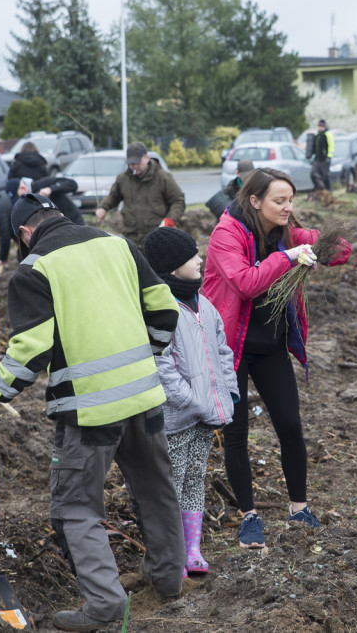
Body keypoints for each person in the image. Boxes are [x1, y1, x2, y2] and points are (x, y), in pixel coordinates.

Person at [0, 193, 185, 632]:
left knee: (75, 507)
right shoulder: (117, 243)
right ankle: (168, 578)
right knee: (156, 488)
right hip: (144, 397)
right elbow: (164, 308)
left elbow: (31, 349)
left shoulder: (34, 268)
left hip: (90, 411)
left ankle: (105, 604)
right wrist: (146, 354)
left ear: (25, 233)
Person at [201, 168, 351, 549]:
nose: (288, 208)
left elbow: (342, 250)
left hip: (271, 344)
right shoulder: (226, 234)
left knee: (290, 425)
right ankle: (249, 518)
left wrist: (318, 246)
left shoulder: (286, 231)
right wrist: (289, 258)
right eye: (279, 201)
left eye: (290, 200)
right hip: (229, 348)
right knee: (236, 435)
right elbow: (245, 282)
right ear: (255, 201)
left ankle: (299, 509)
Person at [142, 227, 238, 576]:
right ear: (171, 266)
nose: (200, 260)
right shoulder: (160, 308)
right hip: (177, 417)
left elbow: (223, 351)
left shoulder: (205, 304)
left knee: (195, 477)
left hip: (204, 414)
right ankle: (170, 555)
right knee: (171, 482)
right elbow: (160, 362)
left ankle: (192, 550)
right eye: (192, 256)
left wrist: (227, 391)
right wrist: (188, 399)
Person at [95, 142, 185, 249]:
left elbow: (178, 200)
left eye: (138, 163)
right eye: (131, 164)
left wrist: (170, 220)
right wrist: (103, 208)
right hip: (131, 236)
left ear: (146, 158)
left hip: (157, 236)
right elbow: (113, 196)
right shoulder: (123, 179)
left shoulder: (162, 177)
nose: (135, 167)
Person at [306, 119, 334, 192]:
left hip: (325, 160)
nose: (320, 127)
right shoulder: (317, 135)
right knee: (313, 174)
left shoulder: (328, 134)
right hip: (317, 159)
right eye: (319, 126)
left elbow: (331, 146)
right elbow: (313, 147)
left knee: (325, 176)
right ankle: (320, 188)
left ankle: (329, 191)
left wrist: (329, 156)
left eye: (321, 126)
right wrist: (310, 154)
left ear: (324, 126)